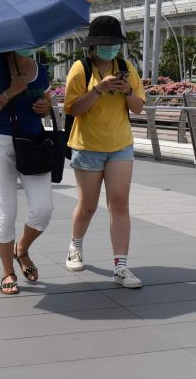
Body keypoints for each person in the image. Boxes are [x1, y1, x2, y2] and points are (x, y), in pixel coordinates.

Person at [63, 16, 145, 289]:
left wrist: (127, 90)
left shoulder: (126, 67)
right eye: (105, 44)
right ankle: (75, 245)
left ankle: (121, 266)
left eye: (114, 44)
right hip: (88, 146)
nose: (110, 49)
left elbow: (138, 107)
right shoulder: (80, 69)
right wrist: (98, 89)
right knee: (87, 206)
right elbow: (73, 109)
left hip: (120, 144)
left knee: (119, 203)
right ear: (93, 46)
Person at [0, 47, 54, 295]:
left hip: (33, 144)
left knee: (43, 209)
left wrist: (44, 107)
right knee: (6, 211)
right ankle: (8, 271)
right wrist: (9, 93)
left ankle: (21, 249)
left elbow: (49, 103)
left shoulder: (40, 71)